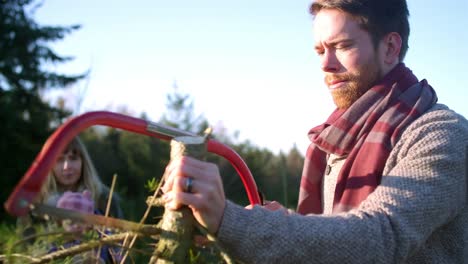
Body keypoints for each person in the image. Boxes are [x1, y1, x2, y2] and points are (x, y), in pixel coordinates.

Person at [161, 0, 468, 263]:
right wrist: (288, 224)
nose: (326, 64)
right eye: (320, 50)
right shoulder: (335, 141)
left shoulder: (441, 134)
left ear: (389, 47)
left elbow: (379, 235)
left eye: (342, 46)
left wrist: (231, 220)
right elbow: (337, 232)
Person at [17, 136, 124, 263]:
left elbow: (121, 248)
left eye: (73, 158)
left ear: (83, 162)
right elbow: (25, 251)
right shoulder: (35, 205)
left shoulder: (104, 199)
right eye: (59, 160)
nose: (67, 166)